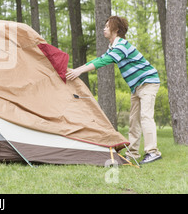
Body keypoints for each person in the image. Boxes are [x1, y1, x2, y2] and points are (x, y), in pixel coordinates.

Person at [66, 16, 162, 164]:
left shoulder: (122, 45)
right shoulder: (113, 47)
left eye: (107, 26)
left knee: (145, 117)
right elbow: (98, 59)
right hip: (136, 86)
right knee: (133, 121)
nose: (104, 29)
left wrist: (80, 71)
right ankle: (133, 153)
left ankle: (152, 152)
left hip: (148, 82)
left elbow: (104, 61)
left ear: (116, 30)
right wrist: (77, 70)